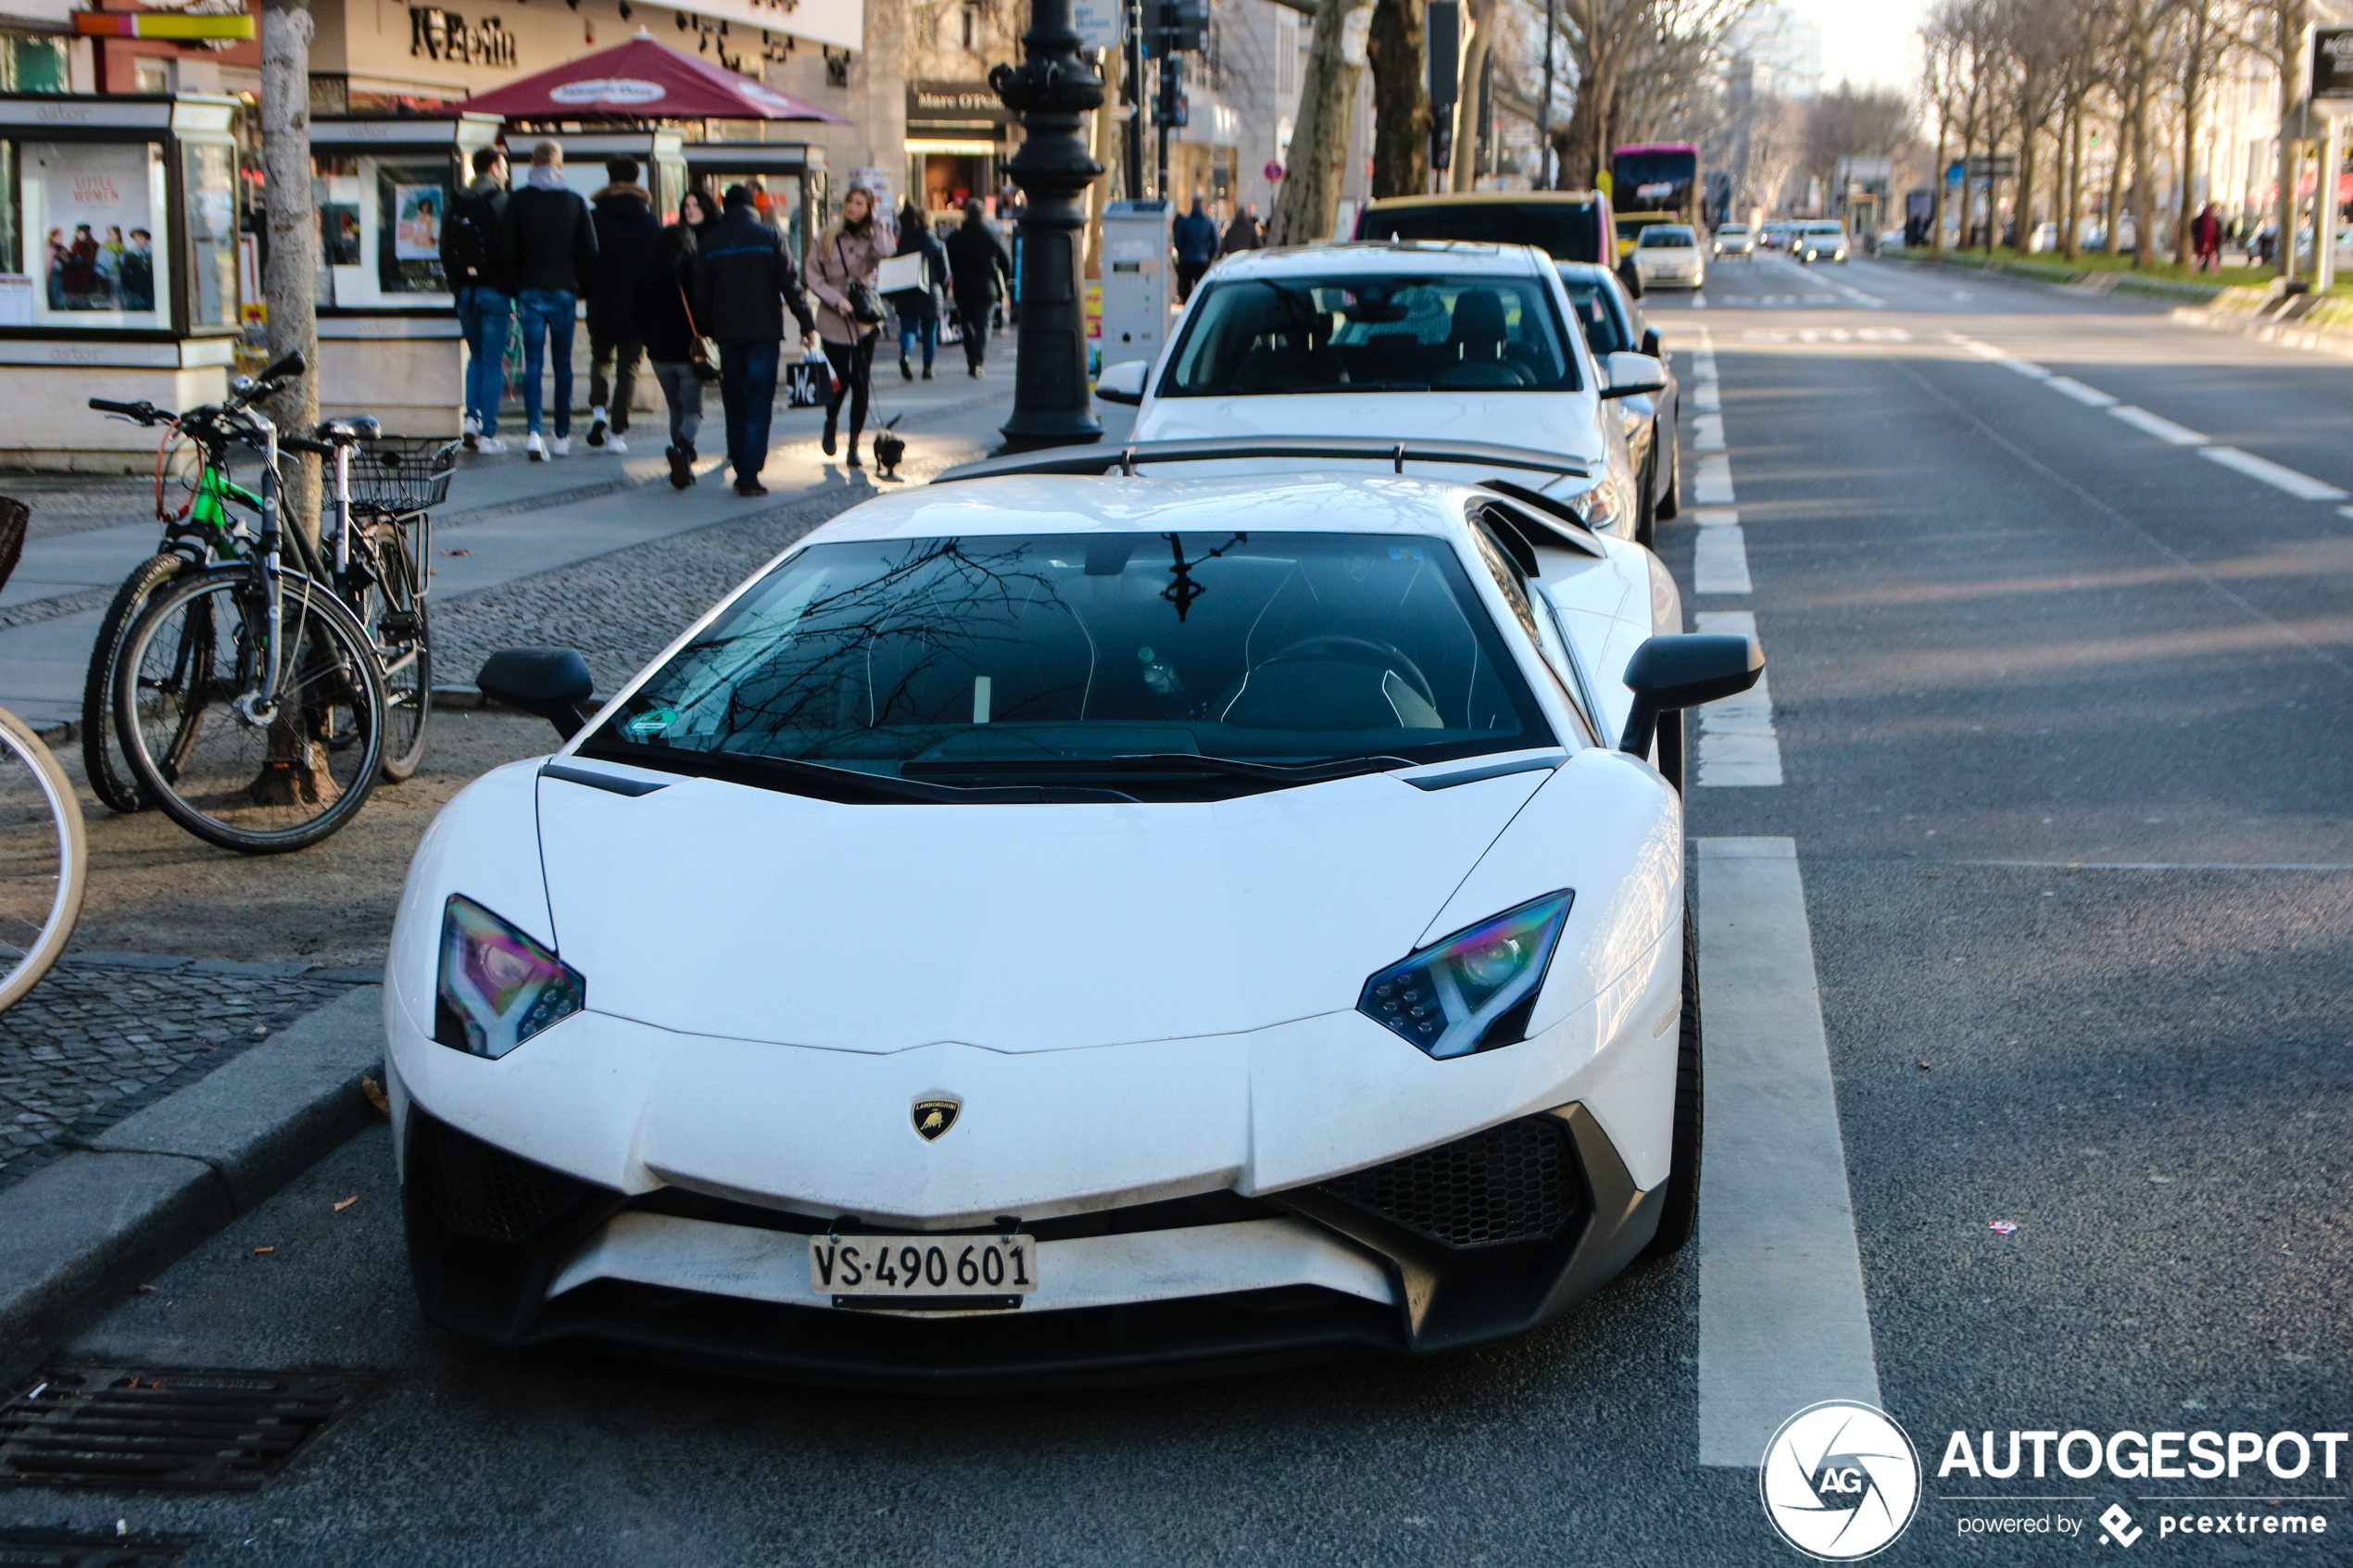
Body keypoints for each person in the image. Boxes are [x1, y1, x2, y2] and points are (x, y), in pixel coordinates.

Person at [691, 182, 820, 496]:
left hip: (726, 335)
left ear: (725, 207)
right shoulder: (770, 236)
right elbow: (790, 284)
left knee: (734, 398)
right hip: (764, 333)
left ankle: (738, 456)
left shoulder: (711, 241)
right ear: (752, 207)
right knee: (760, 401)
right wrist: (806, 324)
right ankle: (749, 471)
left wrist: (707, 330)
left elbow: (700, 294)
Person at [498, 140, 598, 461]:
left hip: (529, 289)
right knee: (563, 365)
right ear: (559, 165)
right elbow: (591, 251)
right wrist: (580, 285)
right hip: (564, 290)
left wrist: (515, 285)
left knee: (533, 364)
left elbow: (507, 249)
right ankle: (563, 435)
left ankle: (534, 432)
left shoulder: (519, 200)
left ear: (532, 163)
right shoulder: (574, 202)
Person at [806, 184, 888, 468]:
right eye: (850, 202)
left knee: (861, 383)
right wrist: (835, 299)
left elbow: (887, 250)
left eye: (860, 204)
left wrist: (876, 221)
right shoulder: (826, 236)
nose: (854, 207)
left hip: (864, 318)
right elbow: (813, 276)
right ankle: (831, 419)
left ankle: (854, 443)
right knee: (839, 380)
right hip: (834, 319)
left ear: (868, 209)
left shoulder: (871, 237)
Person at [585, 156, 660, 453]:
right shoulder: (648, 220)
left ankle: (598, 411)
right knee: (629, 368)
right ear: (637, 179)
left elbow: (587, 259)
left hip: (602, 301)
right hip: (636, 307)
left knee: (601, 359)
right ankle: (618, 432)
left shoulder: (595, 216)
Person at [442, 145, 511, 452]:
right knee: (494, 360)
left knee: (476, 356)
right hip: (495, 292)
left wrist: (458, 287)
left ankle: (471, 419)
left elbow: (445, 249)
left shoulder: (455, 201)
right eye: (504, 165)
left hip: (466, 294)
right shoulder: (502, 201)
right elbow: (512, 251)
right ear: (495, 168)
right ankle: (489, 434)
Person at [634, 220, 706, 491]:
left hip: (659, 354)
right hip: (687, 352)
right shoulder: (690, 270)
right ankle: (684, 449)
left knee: (675, 408)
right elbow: (702, 308)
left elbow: (636, 313)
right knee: (693, 411)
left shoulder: (647, 273)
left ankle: (682, 461)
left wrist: (649, 339)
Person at [943, 197, 1011, 379]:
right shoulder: (991, 235)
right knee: (983, 325)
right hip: (986, 286)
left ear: (966, 214)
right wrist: (1003, 277)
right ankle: (978, 361)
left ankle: (971, 358)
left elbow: (948, 261)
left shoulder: (955, 237)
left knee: (967, 324)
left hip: (963, 287)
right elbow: (1006, 261)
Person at [889, 201, 951, 383]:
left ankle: (905, 355)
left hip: (908, 290)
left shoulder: (904, 243)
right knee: (929, 331)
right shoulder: (937, 245)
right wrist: (942, 288)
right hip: (931, 292)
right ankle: (927, 367)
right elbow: (945, 274)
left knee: (908, 327)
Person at [1172, 196, 1219, 303]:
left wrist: (1182, 252)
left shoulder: (1184, 222)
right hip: (1202, 260)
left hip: (1187, 259)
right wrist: (1208, 256)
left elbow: (1177, 240)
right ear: (1202, 205)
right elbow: (1215, 243)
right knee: (1200, 288)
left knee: (1186, 287)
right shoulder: (1208, 223)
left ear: (1192, 205)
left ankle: (1187, 307)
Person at [119, 228, 154, 311]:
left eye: (140, 238)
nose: (138, 241)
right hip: (135, 291)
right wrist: (132, 287)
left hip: (151, 291)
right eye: (136, 239)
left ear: (146, 238)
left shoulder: (154, 253)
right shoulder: (129, 255)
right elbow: (124, 274)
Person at [2192, 202, 2223, 274]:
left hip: (2207, 242)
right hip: (2206, 242)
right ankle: (2215, 272)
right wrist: (2206, 243)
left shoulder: (2210, 218)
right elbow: (2207, 231)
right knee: (2210, 257)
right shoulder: (2208, 219)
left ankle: (2194, 271)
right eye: (2216, 209)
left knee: (2202, 258)